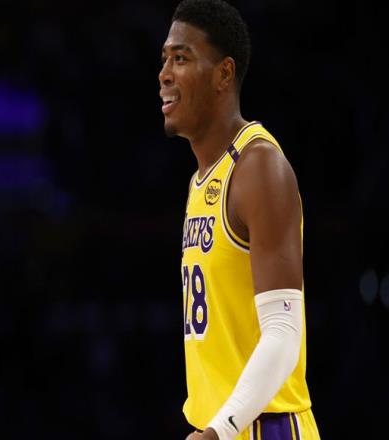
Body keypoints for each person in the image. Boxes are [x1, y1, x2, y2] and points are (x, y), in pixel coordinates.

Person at [158, 1, 321, 439]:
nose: (164, 74)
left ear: (224, 74)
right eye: (164, 60)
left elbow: (284, 333)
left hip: (267, 428)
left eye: (181, 58)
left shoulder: (259, 167)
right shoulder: (200, 181)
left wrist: (219, 431)